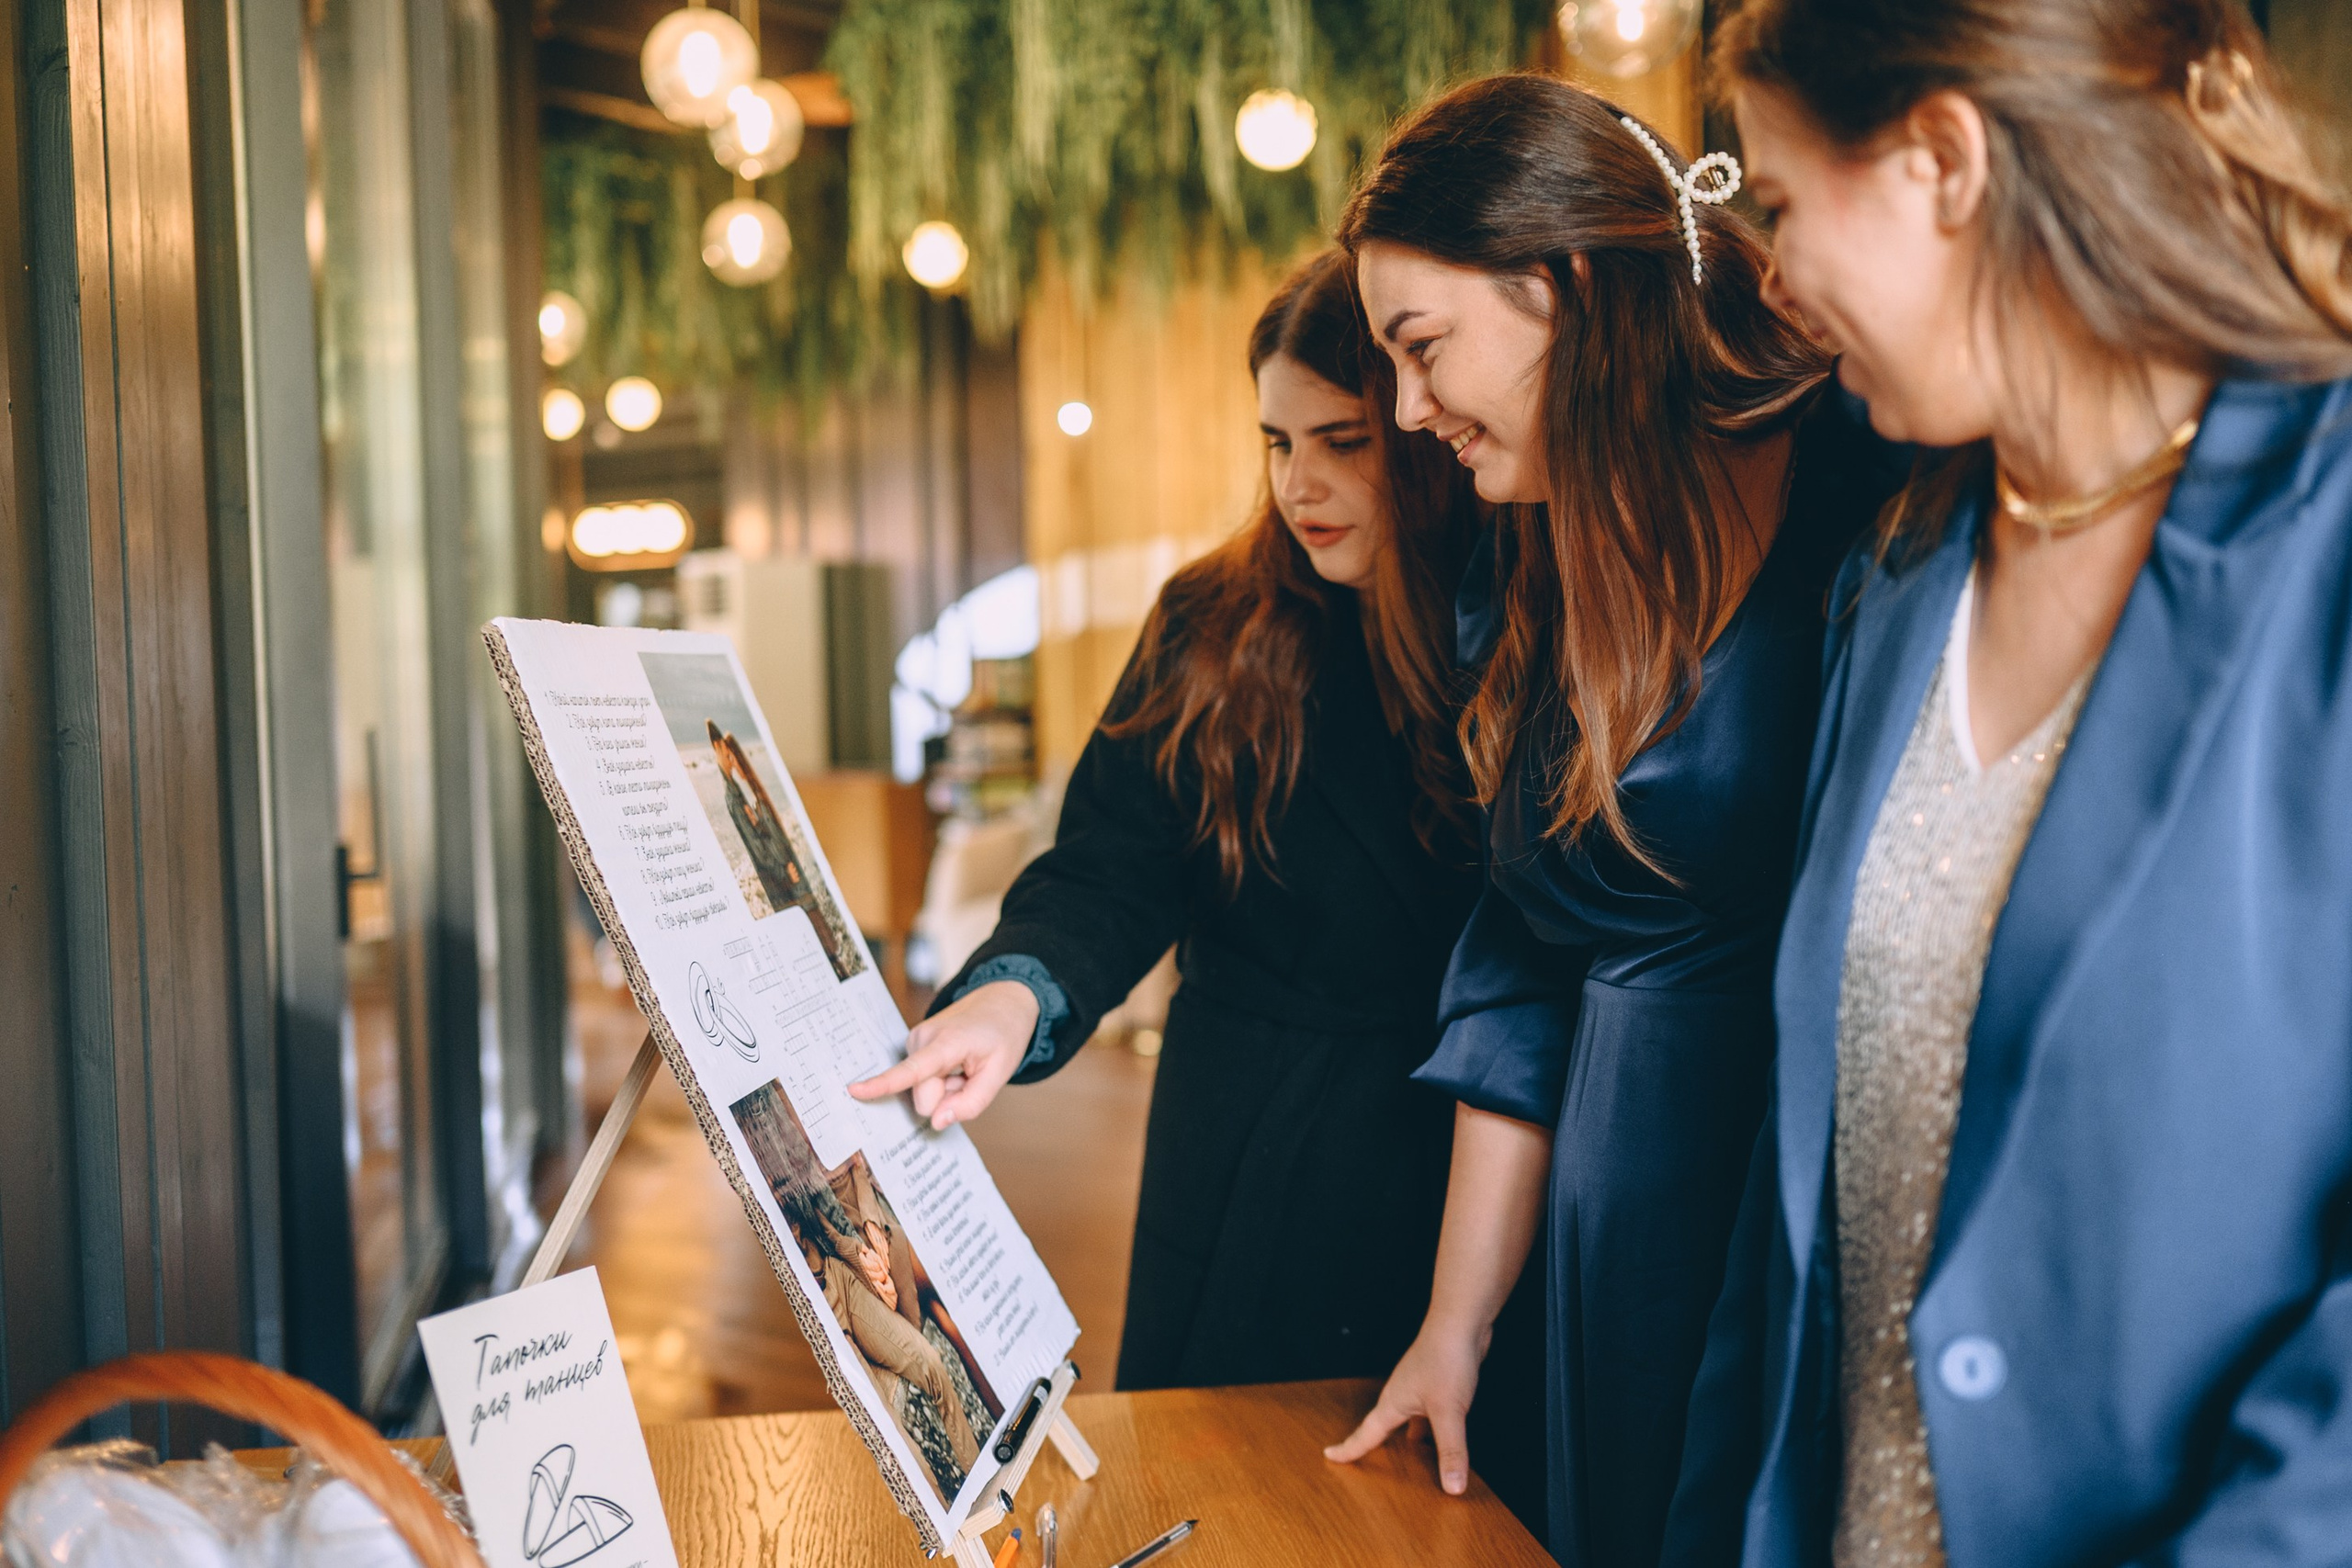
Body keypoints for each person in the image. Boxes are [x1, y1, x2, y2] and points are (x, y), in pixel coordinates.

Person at [1664, 3, 2352, 1564]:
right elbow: (1794, 1245)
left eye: (1778, 203)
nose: (1771, 277)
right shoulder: (1893, 584)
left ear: (1943, 161)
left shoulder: (2331, 544)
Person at [847, 250, 1550, 1515]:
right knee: (1219, 1505)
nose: (1301, 486)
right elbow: (1113, 864)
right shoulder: (1215, 618)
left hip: (1466, 1174)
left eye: (1343, 441)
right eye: (1277, 441)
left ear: (1428, 426)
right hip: (1247, 1153)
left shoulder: (1529, 623)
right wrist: (1013, 998)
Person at [1321, 73, 1906, 1568]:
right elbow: (1521, 971)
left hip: (1800, 1200)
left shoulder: (1866, 474)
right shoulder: (1519, 573)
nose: (1407, 412)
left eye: (1424, 347)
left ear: (1562, 284)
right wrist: (1455, 1329)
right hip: (1605, 1222)